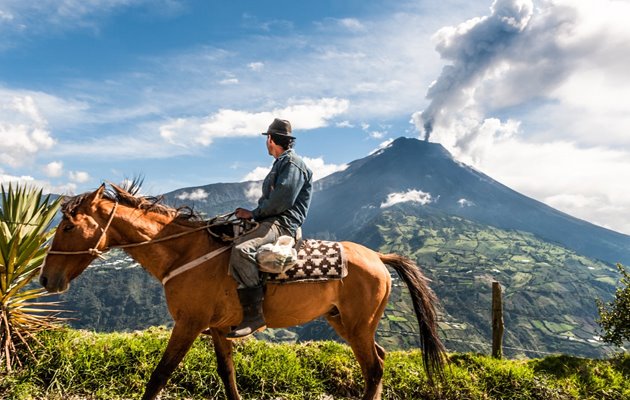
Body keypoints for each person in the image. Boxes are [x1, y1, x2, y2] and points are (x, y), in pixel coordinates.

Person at [227, 118, 313, 339]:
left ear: (271, 139)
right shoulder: (282, 162)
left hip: (282, 223)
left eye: (267, 139)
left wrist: (253, 214)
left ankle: (255, 316)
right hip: (271, 220)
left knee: (241, 250)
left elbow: (281, 201)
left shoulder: (293, 164)